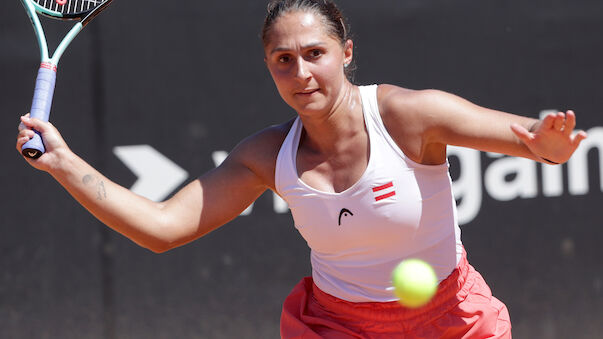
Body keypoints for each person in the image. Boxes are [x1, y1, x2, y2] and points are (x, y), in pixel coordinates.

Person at [16, 0, 587, 338]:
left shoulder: (411, 115)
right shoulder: (266, 155)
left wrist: (551, 147)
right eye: (282, 61)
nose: (301, 73)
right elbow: (163, 228)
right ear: (269, 68)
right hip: (337, 326)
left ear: (346, 52)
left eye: (314, 53)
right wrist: (63, 163)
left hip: (451, 318)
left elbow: (536, 145)